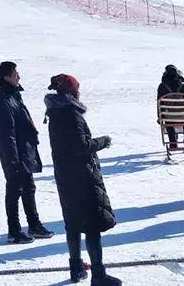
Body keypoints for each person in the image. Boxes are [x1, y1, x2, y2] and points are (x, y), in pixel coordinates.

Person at [45, 74, 120, 286]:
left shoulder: (54, 111)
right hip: (81, 176)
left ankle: (76, 268)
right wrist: (102, 142)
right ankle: (98, 274)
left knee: (73, 223)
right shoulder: (71, 113)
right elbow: (81, 146)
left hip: (64, 174)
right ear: (72, 92)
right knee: (92, 224)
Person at [0, 61, 53, 243]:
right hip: (14, 155)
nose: (18, 76)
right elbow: (6, 134)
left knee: (29, 188)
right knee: (14, 190)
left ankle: (34, 225)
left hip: (24, 151)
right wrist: (13, 159)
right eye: (15, 74)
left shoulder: (13, 94)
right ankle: (14, 231)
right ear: (6, 77)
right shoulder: (2, 100)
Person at [158, 65, 184, 149]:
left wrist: (160, 117)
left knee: (168, 116)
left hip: (169, 118)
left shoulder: (162, 86)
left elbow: (159, 104)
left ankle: (173, 143)